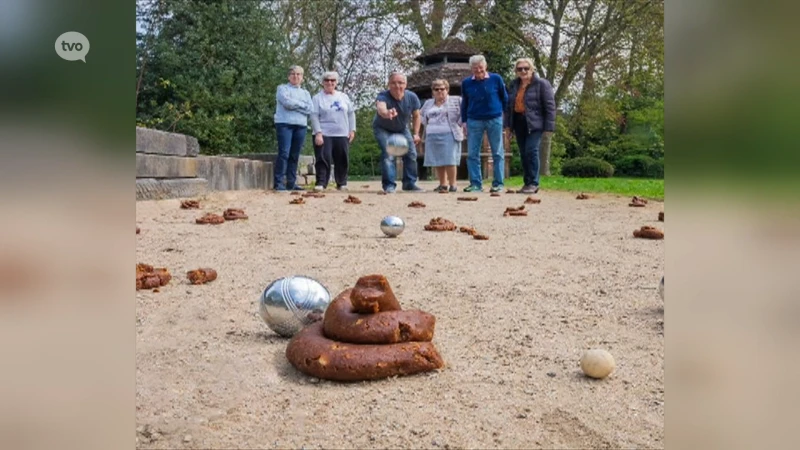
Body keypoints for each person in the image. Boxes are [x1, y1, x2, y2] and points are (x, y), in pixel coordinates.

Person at [504, 58, 556, 194]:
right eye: (520, 69)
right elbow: (509, 107)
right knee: (523, 154)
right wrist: (508, 126)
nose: (523, 71)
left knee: (531, 151)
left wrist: (549, 127)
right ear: (516, 71)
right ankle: (527, 183)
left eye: (526, 68)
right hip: (519, 122)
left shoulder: (542, 84)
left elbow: (550, 107)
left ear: (532, 69)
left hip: (535, 123)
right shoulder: (514, 85)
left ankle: (534, 182)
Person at [460, 55, 509, 193]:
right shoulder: (466, 83)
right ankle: (476, 184)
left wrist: (503, 115)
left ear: (485, 66)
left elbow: (504, 98)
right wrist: (464, 121)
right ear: (471, 69)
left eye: (480, 68)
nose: (478, 71)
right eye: (475, 68)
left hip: (494, 118)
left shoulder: (496, 79)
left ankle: (498, 183)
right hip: (474, 120)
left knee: (497, 152)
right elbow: (465, 103)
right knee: (472, 153)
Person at [372, 72, 424, 193]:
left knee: (411, 153)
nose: (397, 86)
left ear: (405, 84)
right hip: (382, 128)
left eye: (400, 83)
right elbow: (381, 108)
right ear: (389, 84)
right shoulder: (383, 95)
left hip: (401, 128)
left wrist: (416, 133)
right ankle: (389, 185)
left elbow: (417, 116)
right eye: (394, 83)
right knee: (388, 153)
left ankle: (409, 183)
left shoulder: (412, 97)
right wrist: (386, 113)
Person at [310, 71, 356, 191]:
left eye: (332, 80)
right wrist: (318, 133)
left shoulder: (343, 97)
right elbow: (314, 116)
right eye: (327, 80)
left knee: (342, 158)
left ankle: (342, 183)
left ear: (336, 82)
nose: (329, 82)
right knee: (323, 158)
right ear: (322, 82)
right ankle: (321, 182)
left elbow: (351, 114)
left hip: (342, 133)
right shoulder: (317, 98)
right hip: (324, 133)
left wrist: (352, 130)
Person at [273, 65, 313, 191]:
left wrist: (295, 104)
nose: (295, 76)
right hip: (284, 124)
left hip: (301, 125)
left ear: (302, 77)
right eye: (293, 74)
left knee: (295, 155)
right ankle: (279, 183)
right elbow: (287, 103)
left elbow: (310, 109)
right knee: (284, 153)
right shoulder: (282, 88)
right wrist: (302, 106)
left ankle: (291, 183)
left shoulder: (306, 93)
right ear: (288, 76)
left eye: (298, 74)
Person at [420, 79, 463, 193]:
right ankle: (442, 184)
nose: (439, 91)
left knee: (450, 159)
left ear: (447, 89)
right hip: (432, 134)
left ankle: (453, 184)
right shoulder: (428, 103)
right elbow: (422, 116)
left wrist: (459, 124)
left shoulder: (456, 100)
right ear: (433, 91)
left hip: (449, 133)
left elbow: (464, 113)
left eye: (442, 89)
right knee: (438, 160)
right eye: (436, 89)